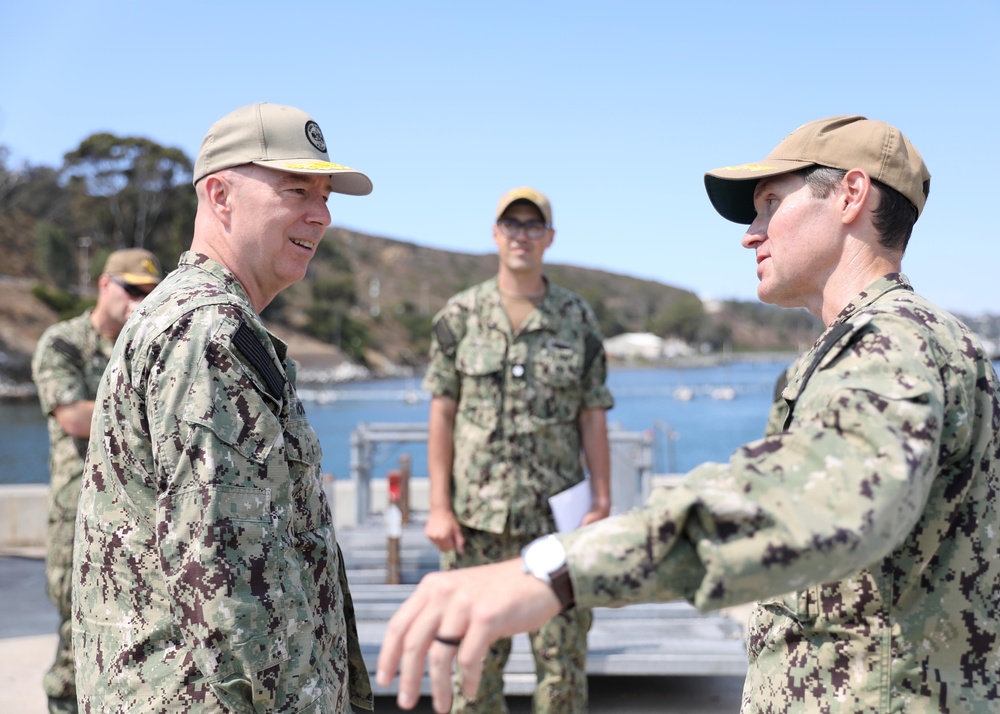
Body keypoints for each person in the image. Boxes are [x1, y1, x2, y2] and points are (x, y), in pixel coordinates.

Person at [377, 116, 1000, 713]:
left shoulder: (891, 346)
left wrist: (558, 570)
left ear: (851, 195)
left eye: (769, 205)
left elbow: (822, 501)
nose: (750, 233)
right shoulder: (892, 341)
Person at [72, 102, 375, 713]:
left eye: (325, 195)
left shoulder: (196, 319)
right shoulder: (207, 333)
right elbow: (222, 576)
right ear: (220, 195)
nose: (322, 214)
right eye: (296, 190)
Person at [420, 186, 614, 712]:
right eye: (512, 224)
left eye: (533, 226)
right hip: (476, 525)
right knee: (473, 668)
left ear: (549, 237)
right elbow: (442, 412)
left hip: (558, 525)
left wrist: (602, 499)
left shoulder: (577, 318)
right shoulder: (460, 315)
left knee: (563, 668)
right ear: (495, 234)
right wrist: (438, 506)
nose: (522, 235)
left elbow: (592, 412)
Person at [30, 247, 162, 713]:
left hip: (138, 513)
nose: (139, 300)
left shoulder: (149, 342)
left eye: (149, 291)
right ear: (104, 284)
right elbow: (72, 416)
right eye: (131, 288)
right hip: (78, 513)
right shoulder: (64, 342)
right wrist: (150, 407)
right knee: (75, 639)